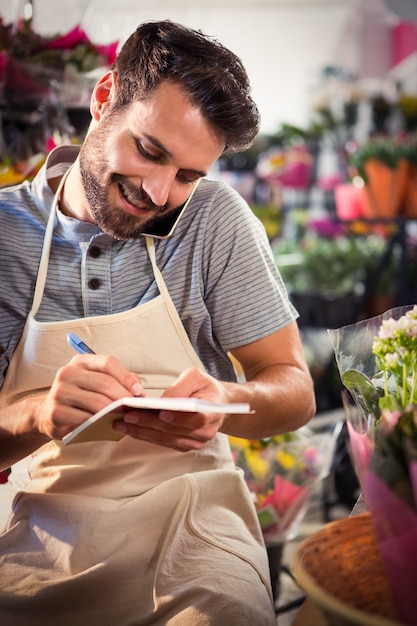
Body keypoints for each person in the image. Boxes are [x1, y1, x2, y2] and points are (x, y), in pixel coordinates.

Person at [0, 19, 315, 626]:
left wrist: (233, 399)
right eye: (150, 151)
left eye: (188, 176)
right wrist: (35, 413)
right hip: (38, 543)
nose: (158, 191)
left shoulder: (215, 222)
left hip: (196, 530)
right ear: (102, 98)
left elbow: (294, 388)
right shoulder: (6, 234)